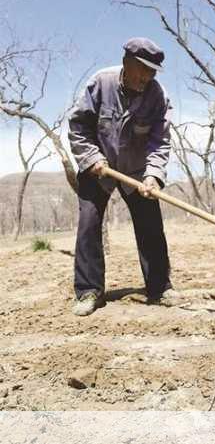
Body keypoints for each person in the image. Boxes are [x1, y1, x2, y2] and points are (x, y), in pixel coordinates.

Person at [68, 37, 175, 316]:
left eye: (152, 72)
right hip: (98, 166)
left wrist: (153, 176)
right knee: (89, 223)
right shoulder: (100, 83)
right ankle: (89, 291)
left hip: (138, 169)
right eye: (143, 69)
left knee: (151, 224)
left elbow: (160, 142)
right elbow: (79, 127)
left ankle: (159, 288)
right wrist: (92, 159)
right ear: (127, 63)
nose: (147, 77)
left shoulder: (157, 95)